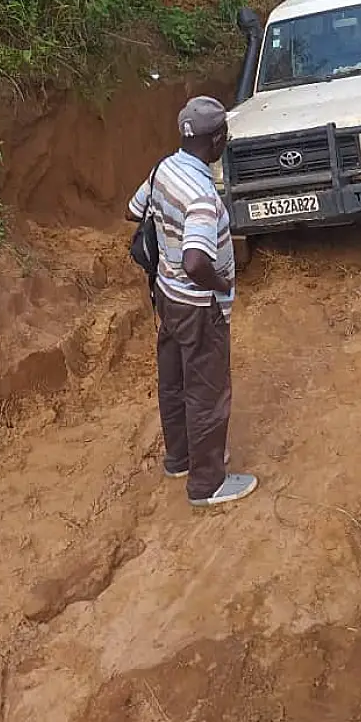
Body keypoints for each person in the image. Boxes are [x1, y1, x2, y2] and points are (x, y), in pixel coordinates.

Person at [127, 96, 258, 506]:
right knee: (207, 391)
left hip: (167, 296)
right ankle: (207, 484)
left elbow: (134, 211)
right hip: (200, 306)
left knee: (175, 381)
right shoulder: (202, 196)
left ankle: (179, 458)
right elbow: (196, 259)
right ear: (217, 139)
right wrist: (220, 283)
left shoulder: (163, 168)